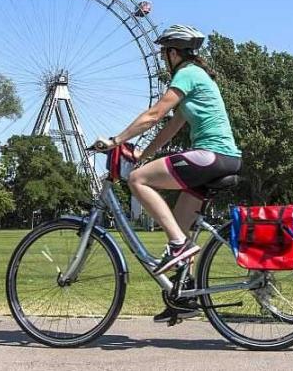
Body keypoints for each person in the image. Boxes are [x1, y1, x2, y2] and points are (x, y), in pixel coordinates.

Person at [93, 24, 242, 321]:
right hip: (223, 158)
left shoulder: (186, 74)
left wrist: (116, 140)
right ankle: (183, 297)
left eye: (165, 53)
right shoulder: (196, 77)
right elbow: (171, 126)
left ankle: (178, 246)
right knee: (180, 224)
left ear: (173, 53)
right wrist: (141, 154)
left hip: (212, 155)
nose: (164, 58)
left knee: (138, 180)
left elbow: (154, 115)